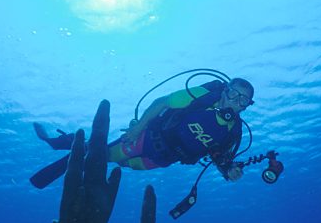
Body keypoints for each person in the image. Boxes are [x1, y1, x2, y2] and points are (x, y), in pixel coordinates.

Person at [31, 77, 254, 188]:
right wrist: (138, 127)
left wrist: (229, 171)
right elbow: (162, 102)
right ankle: (65, 142)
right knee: (101, 155)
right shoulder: (203, 96)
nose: (237, 102)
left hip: (162, 159)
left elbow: (220, 158)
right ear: (225, 90)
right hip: (148, 137)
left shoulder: (233, 133)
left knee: (121, 165)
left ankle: (85, 144)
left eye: (244, 100)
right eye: (234, 94)